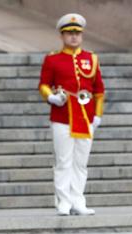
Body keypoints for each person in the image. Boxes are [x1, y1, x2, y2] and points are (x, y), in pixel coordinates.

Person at [38, 13, 106, 216]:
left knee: (80, 162)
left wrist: (98, 115)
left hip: (85, 117)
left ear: (82, 35)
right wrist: (52, 98)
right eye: (69, 33)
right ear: (62, 36)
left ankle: (78, 200)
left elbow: (99, 90)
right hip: (62, 116)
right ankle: (63, 201)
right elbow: (43, 85)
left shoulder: (91, 58)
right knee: (63, 161)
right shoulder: (53, 59)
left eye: (77, 33)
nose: (74, 37)